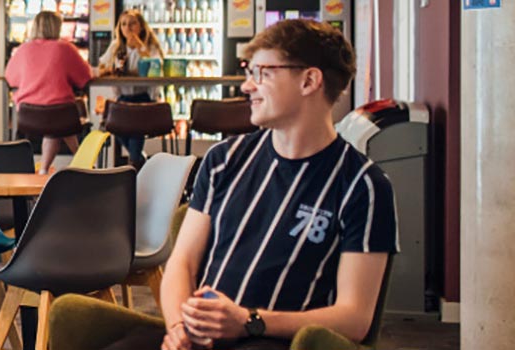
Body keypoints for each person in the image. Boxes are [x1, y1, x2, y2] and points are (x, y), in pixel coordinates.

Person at [48, 20, 396, 350]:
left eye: (262, 72)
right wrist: (177, 328)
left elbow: (355, 318)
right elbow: (181, 264)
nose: (247, 85)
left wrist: (250, 321)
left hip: (276, 341)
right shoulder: (224, 160)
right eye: (249, 72)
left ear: (309, 81)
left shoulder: (362, 186)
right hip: (197, 337)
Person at [5, 11, 94, 174]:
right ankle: (83, 165)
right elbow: (85, 77)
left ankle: (45, 171)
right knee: (60, 125)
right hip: (61, 114)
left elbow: (10, 79)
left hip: (29, 115)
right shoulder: (65, 48)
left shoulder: (23, 49)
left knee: (55, 129)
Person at [96, 9, 166, 168]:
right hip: (122, 99)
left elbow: (155, 66)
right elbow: (102, 65)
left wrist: (140, 47)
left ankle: (135, 163)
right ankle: (137, 160)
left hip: (144, 98)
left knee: (135, 124)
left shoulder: (150, 46)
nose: (128, 28)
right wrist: (109, 69)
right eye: (124, 24)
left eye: (133, 23)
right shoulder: (116, 46)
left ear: (141, 26)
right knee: (113, 123)